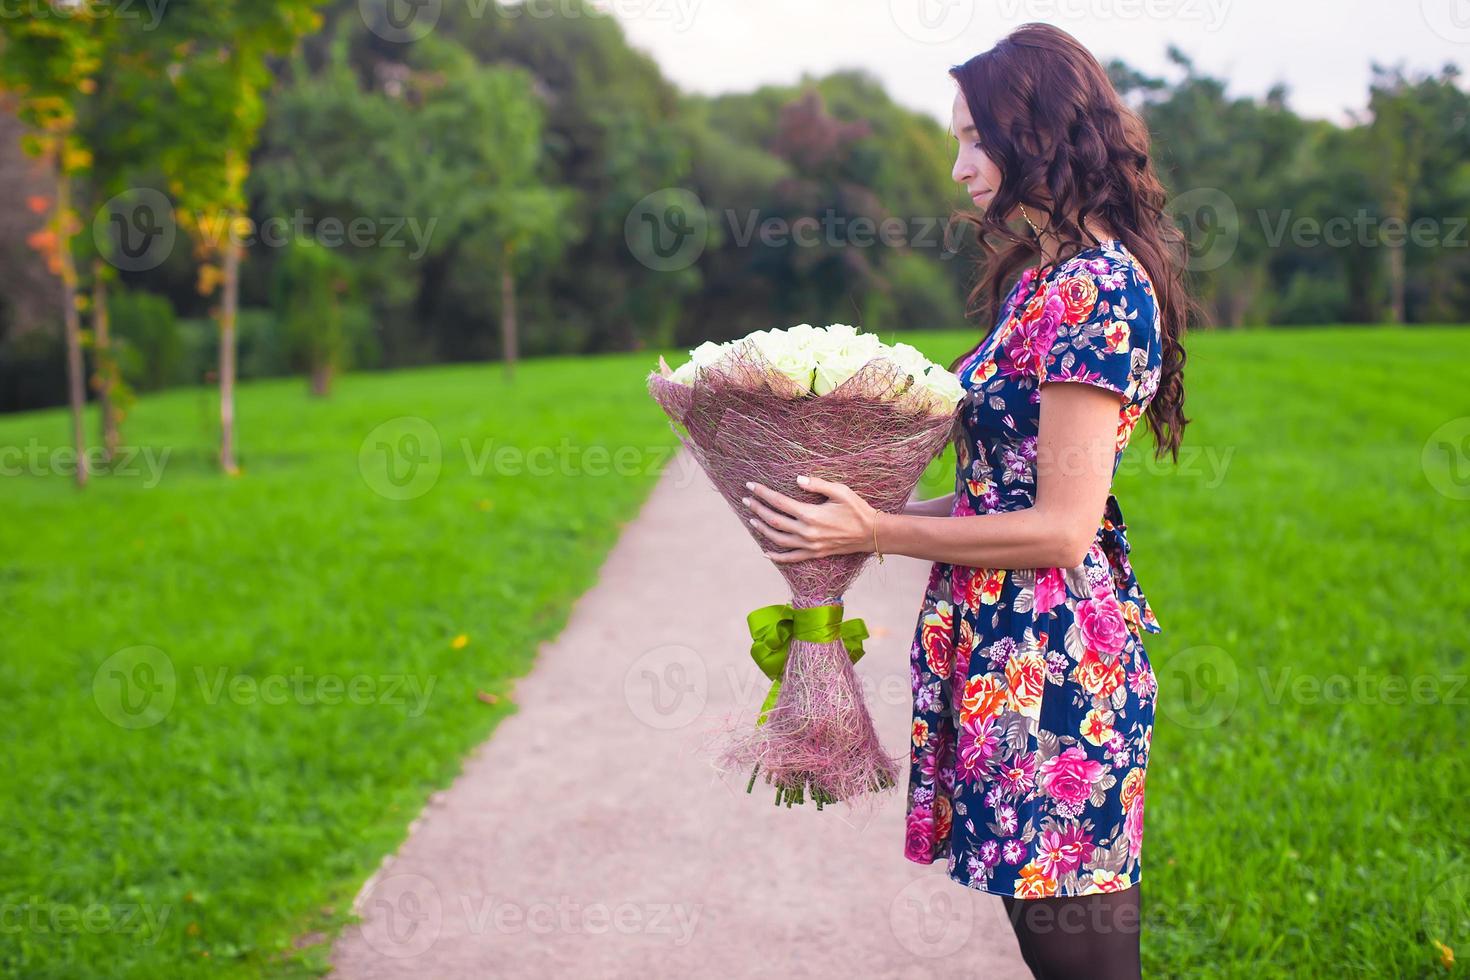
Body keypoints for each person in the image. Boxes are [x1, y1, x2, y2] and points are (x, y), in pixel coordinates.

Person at [737, 23, 1195, 979]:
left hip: (1058, 671)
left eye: (973, 139)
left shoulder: (1096, 293)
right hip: (1002, 653)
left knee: (1084, 962)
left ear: (1040, 133)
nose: (958, 167)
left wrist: (882, 529)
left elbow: (1063, 530)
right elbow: (1000, 495)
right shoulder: (1043, 285)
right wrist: (844, 532)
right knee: (1045, 945)